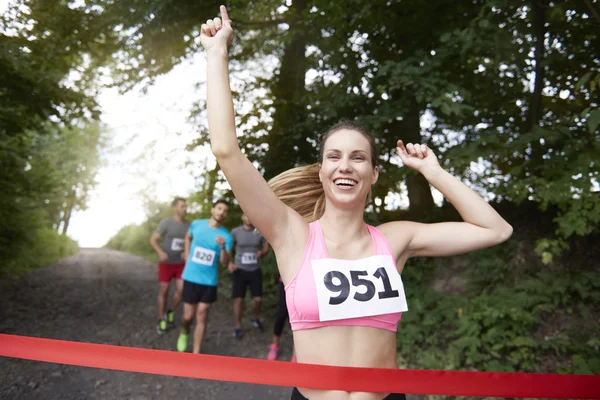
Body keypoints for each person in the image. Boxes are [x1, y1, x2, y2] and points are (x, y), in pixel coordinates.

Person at [200, 6, 513, 399]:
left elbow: (496, 229)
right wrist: (217, 54)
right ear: (321, 171)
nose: (344, 166)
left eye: (358, 157)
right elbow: (226, 150)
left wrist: (434, 172)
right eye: (334, 156)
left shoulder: (395, 240)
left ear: (373, 174)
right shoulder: (291, 234)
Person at [177, 199, 232, 354]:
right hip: (191, 277)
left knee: (202, 315)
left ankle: (196, 353)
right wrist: (187, 256)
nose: (222, 212)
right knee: (188, 316)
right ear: (213, 209)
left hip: (209, 281)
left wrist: (222, 248)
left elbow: (224, 262)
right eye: (219, 208)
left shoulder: (226, 236)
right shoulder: (196, 224)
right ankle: (184, 332)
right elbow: (188, 237)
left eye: (225, 210)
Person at [150, 197, 189, 334]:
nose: (185, 208)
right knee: (164, 290)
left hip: (180, 264)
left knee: (182, 290)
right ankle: (161, 319)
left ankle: (170, 311)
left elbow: (191, 242)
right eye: (182, 206)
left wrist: (186, 251)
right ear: (175, 207)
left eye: (186, 206)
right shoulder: (166, 223)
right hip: (166, 263)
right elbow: (153, 240)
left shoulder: (188, 225)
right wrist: (160, 253)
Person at [229, 213, 270, 339]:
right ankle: (237, 326)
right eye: (246, 215)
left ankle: (254, 317)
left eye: (250, 215)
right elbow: (228, 248)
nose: (248, 217)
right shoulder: (235, 232)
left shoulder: (259, 232)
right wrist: (230, 263)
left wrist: (261, 253)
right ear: (242, 217)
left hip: (254, 270)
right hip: (239, 270)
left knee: (258, 299)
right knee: (239, 300)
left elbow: (266, 247)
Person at [267, 276, 296, 362]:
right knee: (281, 314)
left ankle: (295, 353)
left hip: (302, 282)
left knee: (297, 316)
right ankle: (275, 344)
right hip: (286, 280)